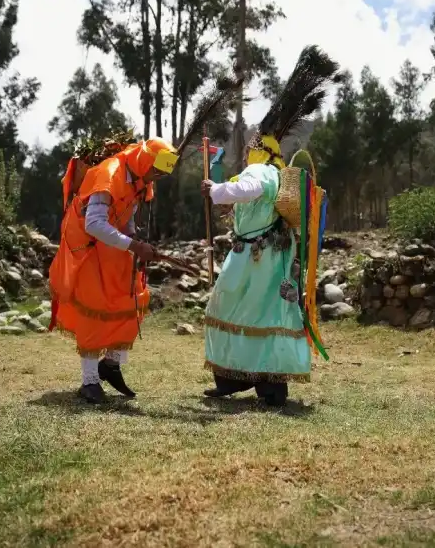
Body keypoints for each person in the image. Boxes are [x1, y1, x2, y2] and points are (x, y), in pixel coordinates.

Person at [200, 45, 342, 406]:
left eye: (249, 149)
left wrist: (216, 190)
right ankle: (264, 386)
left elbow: (249, 188)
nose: (246, 153)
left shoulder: (261, 171)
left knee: (226, 307)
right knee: (268, 314)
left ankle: (239, 381)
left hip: (254, 259)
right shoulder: (278, 171)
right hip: (268, 256)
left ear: (257, 149)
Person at [49, 135, 179, 403]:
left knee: (129, 299)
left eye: (162, 174)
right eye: (156, 171)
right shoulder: (109, 175)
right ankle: (90, 381)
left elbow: (127, 216)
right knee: (93, 308)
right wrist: (133, 245)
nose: (157, 178)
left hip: (112, 244)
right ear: (145, 160)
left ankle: (110, 365)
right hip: (85, 247)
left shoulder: (140, 179)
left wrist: (136, 245)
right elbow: (94, 224)